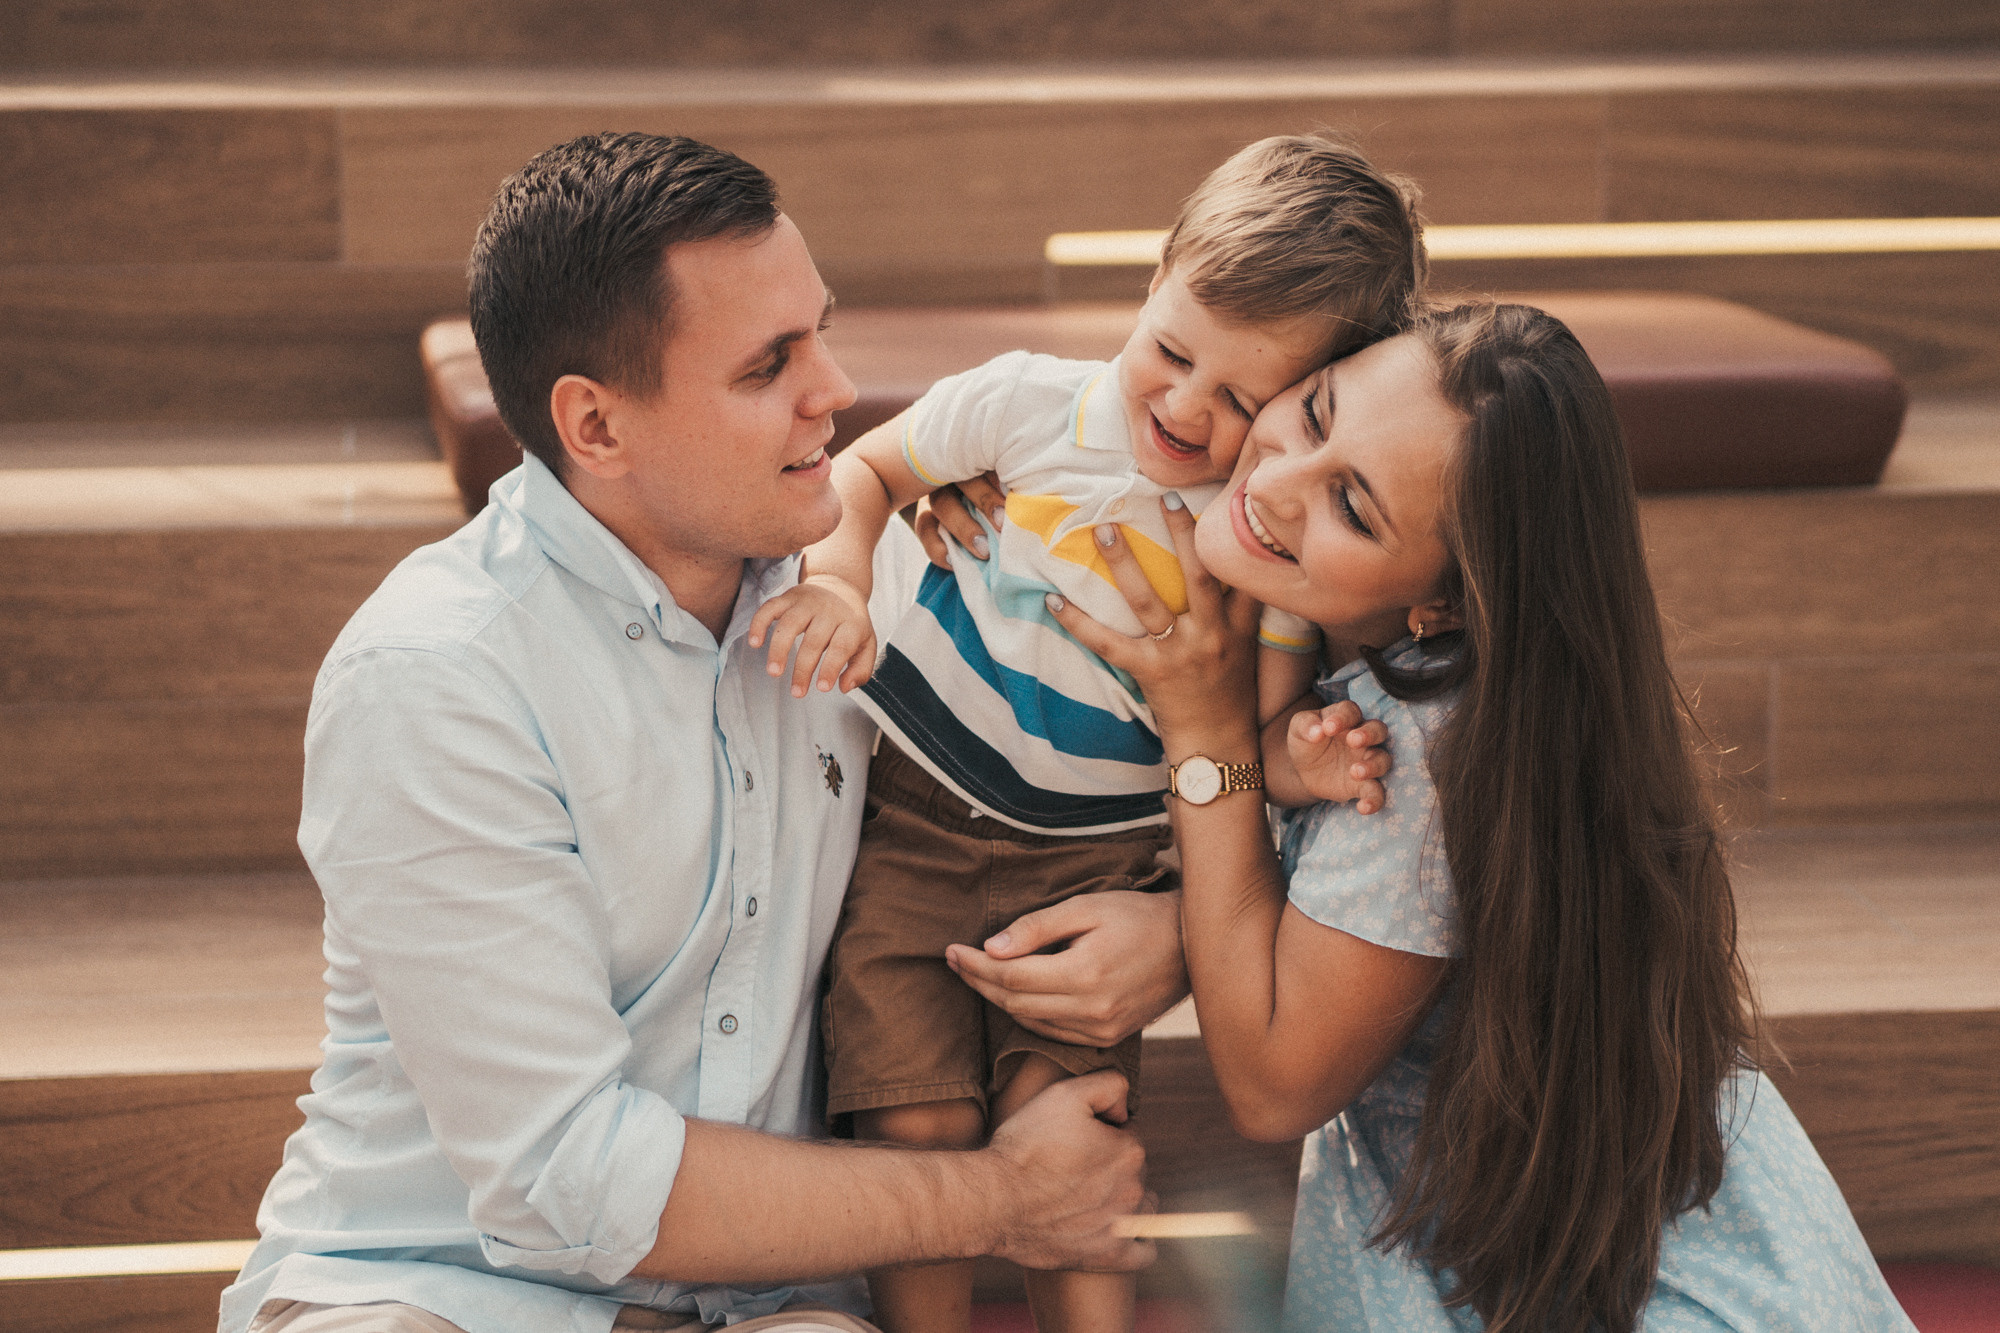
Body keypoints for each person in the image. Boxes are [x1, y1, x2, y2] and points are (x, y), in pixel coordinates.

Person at [217, 132, 1191, 1333]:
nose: (833, 389)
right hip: (435, 1290)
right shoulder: (435, 675)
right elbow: (565, 1180)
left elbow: (1113, 760)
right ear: (596, 426)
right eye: (767, 365)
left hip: (766, 1305)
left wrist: (1177, 928)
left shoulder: (892, 577)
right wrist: (997, 1199)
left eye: (822, 332)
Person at [1039, 303, 1918, 1332]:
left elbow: (1272, 1087)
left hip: (1536, 1259)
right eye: (1315, 412)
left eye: (1351, 508)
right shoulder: (1458, 656)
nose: (1272, 484)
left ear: (1442, 608)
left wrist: (1204, 739)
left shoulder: (1407, 748)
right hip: (1608, 1187)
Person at [749, 133, 1423, 1333]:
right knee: (912, 1114)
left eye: (1239, 399)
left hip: (1099, 865)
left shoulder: (1251, 537)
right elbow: (865, 473)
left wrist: (1302, 763)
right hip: (914, 822)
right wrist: (845, 581)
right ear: (1154, 277)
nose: (1180, 405)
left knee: (1076, 1126)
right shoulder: (1025, 403)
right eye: (1169, 351)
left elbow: (1244, 746)